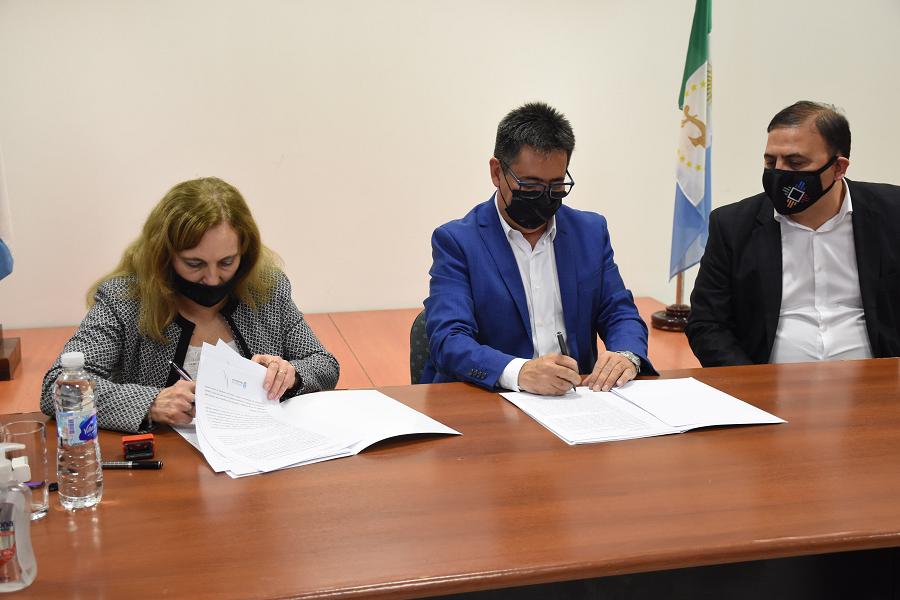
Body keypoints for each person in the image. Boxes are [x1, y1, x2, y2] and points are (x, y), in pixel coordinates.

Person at [40, 177, 339, 433]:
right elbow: (59, 388)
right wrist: (151, 403)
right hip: (163, 466)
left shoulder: (266, 290)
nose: (212, 278)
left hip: (257, 455)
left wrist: (291, 374)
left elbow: (323, 364)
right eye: (194, 264)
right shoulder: (125, 300)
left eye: (226, 262)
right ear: (164, 256)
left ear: (245, 253)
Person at [421, 102, 654, 395]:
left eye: (556, 186)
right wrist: (519, 372)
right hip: (490, 399)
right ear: (497, 172)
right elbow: (448, 339)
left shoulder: (590, 233)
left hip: (575, 399)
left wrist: (626, 354)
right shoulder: (458, 242)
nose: (543, 198)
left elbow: (619, 312)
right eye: (530, 185)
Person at [686, 101, 900, 366]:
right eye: (770, 161)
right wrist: (749, 382)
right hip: (766, 381)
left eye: (795, 162)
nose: (779, 172)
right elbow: (707, 324)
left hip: (878, 379)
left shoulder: (892, 213)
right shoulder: (732, 225)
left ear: (838, 168)